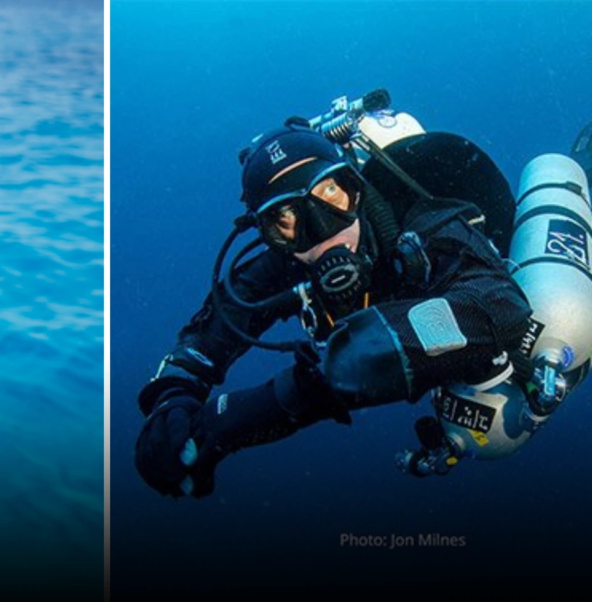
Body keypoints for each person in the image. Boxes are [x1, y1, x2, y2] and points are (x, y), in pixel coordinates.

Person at [134, 118, 535, 498]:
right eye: (286, 217)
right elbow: (210, 331)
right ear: (268, 233)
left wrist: (260, 409)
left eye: (330, 194)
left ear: (354, 186)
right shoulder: (285, 261)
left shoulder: (422, 220)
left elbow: (500, 305)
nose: (323, 230)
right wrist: (172, 396)